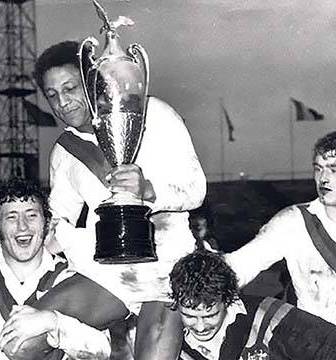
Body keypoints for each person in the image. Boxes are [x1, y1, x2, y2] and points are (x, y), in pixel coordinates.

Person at [34, 40, 207, 359]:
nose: (63, 103)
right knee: (26, 339)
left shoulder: (153, 113)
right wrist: (4, 246)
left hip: (166, 265)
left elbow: (196, 190)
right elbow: (57, 220)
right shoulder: (64, 150)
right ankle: (102, 349)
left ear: (92, 81)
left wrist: (148, 190)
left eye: (70, 88)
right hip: (108, 269)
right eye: (52, 95)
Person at [0, 179, 120, 360]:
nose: (23, 226)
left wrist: (53, 322)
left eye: (32, 215)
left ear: (47, 223)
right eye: (11, 217)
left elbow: (102, 349)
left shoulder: (67, 275)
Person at [226, 131, 336, 324]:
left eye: (333, 169)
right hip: (315, 343)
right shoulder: (293, 222)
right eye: (318, 169)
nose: (323, 179)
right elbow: (240, 266)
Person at [169, 249, 336, 360]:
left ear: (228, 299)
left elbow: (330, 344)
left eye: (210, 315)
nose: (200, 327)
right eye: (189, 316)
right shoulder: (169, 344)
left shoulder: (269, 315)